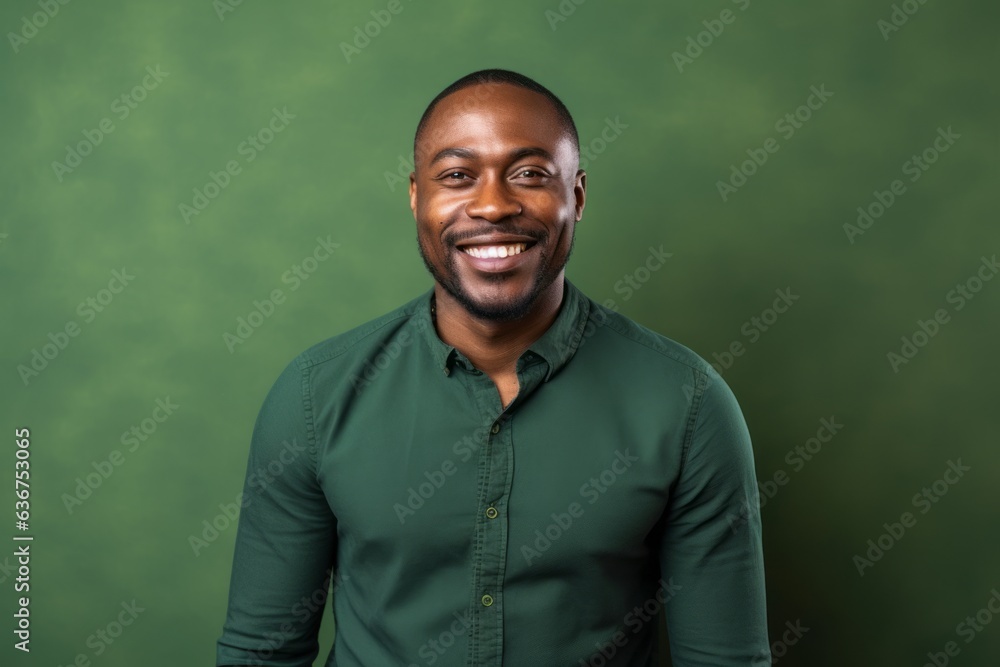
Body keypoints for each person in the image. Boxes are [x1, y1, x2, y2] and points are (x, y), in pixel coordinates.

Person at [217, 68, 771, 666]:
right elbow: (260, 655)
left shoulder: (686, 403)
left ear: (577, 197)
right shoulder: (313, 396)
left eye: (530, 175)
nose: (492, 205)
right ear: (415, 197)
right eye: (457, 176)